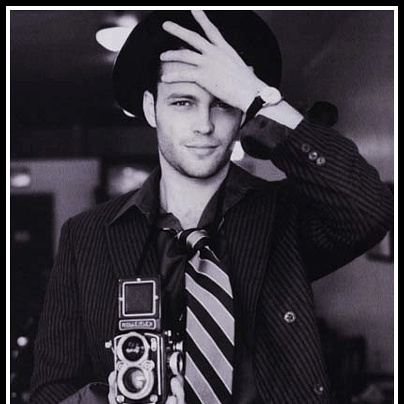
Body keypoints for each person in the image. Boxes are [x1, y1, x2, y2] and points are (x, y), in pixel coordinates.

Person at [29, 10, 393, 404]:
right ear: (151, 108)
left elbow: (370, 209)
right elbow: (51, 391)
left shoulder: (285, 216)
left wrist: (261, 97)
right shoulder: (86, 237)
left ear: (243, 114)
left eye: (222, 103)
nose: (203, 124)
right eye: (183, 102)